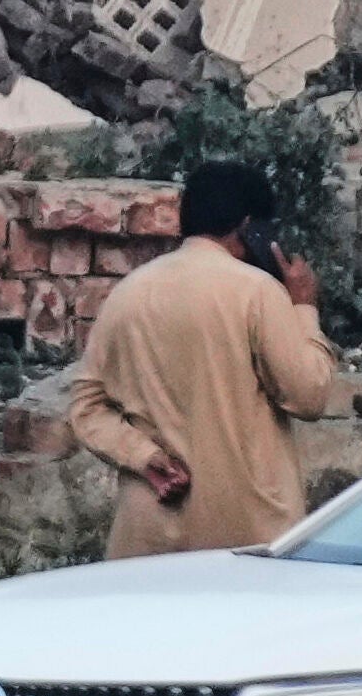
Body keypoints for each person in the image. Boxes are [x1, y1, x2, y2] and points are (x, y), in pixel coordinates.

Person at [62, 152, 343, 559]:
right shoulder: (257, 293)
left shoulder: (128, 293)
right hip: (246, 537)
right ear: (249, 227)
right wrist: (303, 307)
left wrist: (143, 456)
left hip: (147, 540)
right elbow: (309, 394)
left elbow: (86, 408)